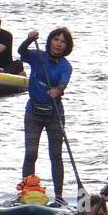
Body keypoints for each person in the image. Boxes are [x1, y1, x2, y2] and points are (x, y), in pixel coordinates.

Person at [20, 27, 74, 204]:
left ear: (67, 46)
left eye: (63, 42)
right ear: (50, 41)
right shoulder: (38, 56)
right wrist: (29, 39)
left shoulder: (66, 66)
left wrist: (58, 90)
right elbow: (21, 52)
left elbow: (63, 83)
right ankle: (27, 191)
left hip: (54, 114)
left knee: (56, 155)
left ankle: (59, 195)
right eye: (56, 39)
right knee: (31, 153)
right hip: (33, 113)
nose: (59, 44)